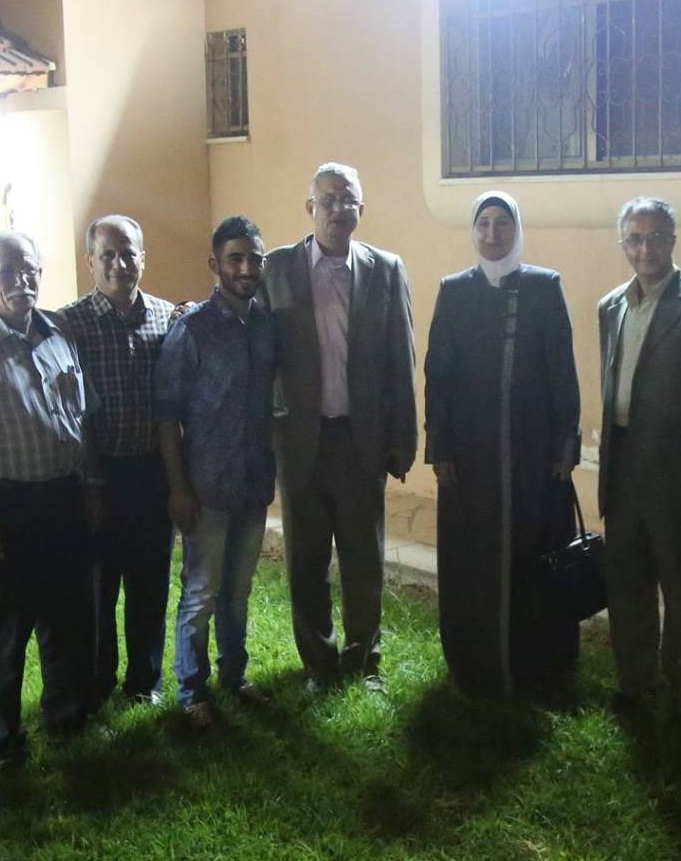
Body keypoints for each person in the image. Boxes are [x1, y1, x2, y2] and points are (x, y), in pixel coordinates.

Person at [0, 231, 103, 771]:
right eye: (8, 271)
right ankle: (0, 741)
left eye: (29, 269)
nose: (21, 280)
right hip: (3, 508)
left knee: (68, 618)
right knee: (3, 632)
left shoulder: (58, 332)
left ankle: (67, 717)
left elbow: (82, 415)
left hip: (64, 497)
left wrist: (90, 485)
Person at [260, 163, 418, 693]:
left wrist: (403, 439)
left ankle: (364, 657)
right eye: (327, 199)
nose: (337, 208)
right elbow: (257, 355)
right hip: (298, 442)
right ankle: (318, 661)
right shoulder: (276, 268)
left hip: (359, 440)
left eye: (347, 199)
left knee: (363, 558)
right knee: (305, 561)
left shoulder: (386, 270)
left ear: (360, 210)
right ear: (310, 208)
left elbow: (402, 358)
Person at [424, 190, 582, 698]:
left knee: (533, 553)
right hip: (470, 460)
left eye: (502, 223)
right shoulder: (454, 291)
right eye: (483, 223)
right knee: (474, 559)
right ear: (473, 231)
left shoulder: (543, 287)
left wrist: (565, 446)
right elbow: (438, 376)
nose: (492, 233)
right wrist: (441, 449)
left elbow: (563, 373)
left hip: (534, 459)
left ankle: (537, 664)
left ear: (517, 230)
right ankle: (475, 661)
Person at [596, 197, 681, 718]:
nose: (645, 248)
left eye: (655, 237)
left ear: (673, 241)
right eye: (634, 238)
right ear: (622, 244)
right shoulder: (611, 305)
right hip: (624, 465)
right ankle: (636, 682)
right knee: (627, 582)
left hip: (679, 471)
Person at [154, 216, 280, 725]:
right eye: (235, 259)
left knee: (238, 592)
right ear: (215, 264)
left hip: (253, 482)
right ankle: (191, 691)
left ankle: (234, 674)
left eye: (254, 259)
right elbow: (167, 414)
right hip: (205, 486)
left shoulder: (267, 327)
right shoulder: (192, 331)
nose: (246, 269)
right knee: (201, 593)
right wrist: (178, 487)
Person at [58, 216, 179, 708]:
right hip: (98, 474)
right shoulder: (70, 324)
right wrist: (90, 481)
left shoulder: (167, 318)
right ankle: (98, 681)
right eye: (107, 255)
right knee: (99, 586)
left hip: (152, 470)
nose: (118, 264)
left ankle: (144, 681)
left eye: (128, 253)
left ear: (142, 259)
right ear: (90, 262)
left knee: (150, 582)